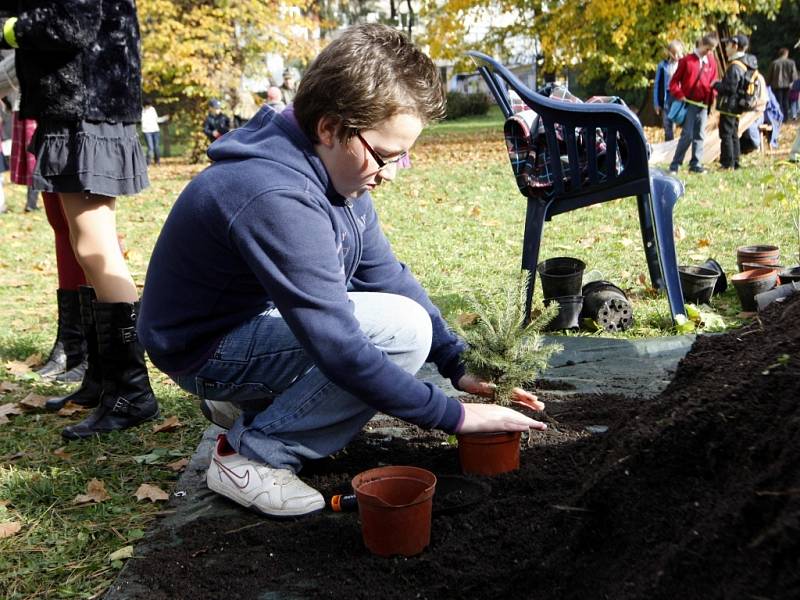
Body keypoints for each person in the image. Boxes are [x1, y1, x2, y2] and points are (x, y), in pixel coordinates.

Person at [138, 24, 546, 518]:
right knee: (400, 333)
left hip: (243, 319)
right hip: (203, 350)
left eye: (404, 157)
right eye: (386, 155)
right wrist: (454, 417)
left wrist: (458, 364)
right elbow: (340, 347)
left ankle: (250, 402)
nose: (391, 173)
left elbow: (385, 275)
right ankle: (252, 455)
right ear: (330, 128)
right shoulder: (274, 194)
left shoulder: (333, 173)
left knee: (400, 316)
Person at [1, 0, 159, 438]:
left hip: (89, 110)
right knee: (83, 247)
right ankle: (103, 380)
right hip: (77, 106)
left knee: (95, 247)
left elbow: (72, 24)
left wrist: (10, 28)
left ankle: (132, 392)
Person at [668, 33, 719, 174]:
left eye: (712, 50)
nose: (709, 53)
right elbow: (673, 82)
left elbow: (713, 82)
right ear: (701, 44)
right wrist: (680, 95)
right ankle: (675, 164)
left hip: (703, 104)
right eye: (708, 49)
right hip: (689, 103)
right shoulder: (686, 61)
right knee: (687, 135)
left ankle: (696, 164)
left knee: (700, 135)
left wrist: (712, 98)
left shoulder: (711, 62)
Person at [714, 35, 758, 170]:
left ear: (734, 46)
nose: (726, 48)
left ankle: (727, 163)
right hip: (739, 104)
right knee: (733, 133)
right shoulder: (747, 63)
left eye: (727, 45)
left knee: (726, 134)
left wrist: (716, 85)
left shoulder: (734, 66)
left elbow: (730, 88)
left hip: (729, 105)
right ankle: (735, 161)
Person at [653, 40, 684, 141]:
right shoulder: (662, 66)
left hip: (679, 97)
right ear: (669, 53)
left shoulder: (683, 64)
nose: (675, 56)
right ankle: (669, 145)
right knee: (667, 125)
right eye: (673, 53)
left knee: (680, 123)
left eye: (677, 53)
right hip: (666, 97)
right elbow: (657, 85)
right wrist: (656, 103)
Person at [766, 48, 798, 122]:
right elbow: (794, 76)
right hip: (787, 86)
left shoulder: (774, 63)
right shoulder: (791, 62)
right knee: (785, 102)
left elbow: (769, 75)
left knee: (778, 101)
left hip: (776, 85)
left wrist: (767, 84)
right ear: (786, 54)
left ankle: (779, 117)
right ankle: (785, 119)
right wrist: (792, 83)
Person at [141, 100, 169, 165]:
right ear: (145, 105)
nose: (149, 107)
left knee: (157, 147)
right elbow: (141, 120)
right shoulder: (142, 111)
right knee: (150, 147)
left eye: (150, 105)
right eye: (148, 105)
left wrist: (164, 118)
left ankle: (157, 162)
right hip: (147, 131)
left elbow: (157, 119)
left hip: (155, 130)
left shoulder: (152, 109)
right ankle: (147, 163)